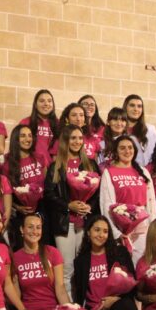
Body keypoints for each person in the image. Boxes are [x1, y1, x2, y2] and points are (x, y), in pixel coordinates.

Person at [12, 213, 72, 310]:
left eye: (38, 227)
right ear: (21, 230)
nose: (34, 231)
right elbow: (15, 293)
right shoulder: (15, 257)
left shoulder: (52, 252)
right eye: (30, 227)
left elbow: (60, 287)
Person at [44, 125, 99, 294]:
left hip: (84, 222)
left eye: (80, 138)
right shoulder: (56, 166)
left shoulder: (90, 164)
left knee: (82, 266)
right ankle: (68, 307)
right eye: (73, 138)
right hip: (64, 222)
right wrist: (68, 205)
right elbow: (49, 194)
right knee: (67, 268)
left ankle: (82, 304)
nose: (77, 142)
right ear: (65, 141)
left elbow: (98, 193)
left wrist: (89, 206)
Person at [99, 135, 156, 264]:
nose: (127, 151)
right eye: (122, 148)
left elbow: (151, 202)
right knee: (124, 267)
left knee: (143, 263)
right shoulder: (109, 172)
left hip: (143, 227)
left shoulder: (142, 171)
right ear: (115, 151)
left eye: (130, 148)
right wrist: (116, 233)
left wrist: (154, 227)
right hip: (121, 228)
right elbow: (106, 204)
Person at [1, 125, 51, 250]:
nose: (27, 139)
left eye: (29, 136)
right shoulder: (7, 163)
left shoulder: (39, 157)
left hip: (41, 209)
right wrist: (18, 207)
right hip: (20, 212)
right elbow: (6, 192)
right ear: (15, 139)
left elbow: (47, 185)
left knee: (43, 248)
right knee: (21, 248)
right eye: (23, 136)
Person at [19, 89, 58, 162]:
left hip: (51, 167)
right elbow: (17, 146)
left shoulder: (59, 124)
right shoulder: (25, 122)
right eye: (42, 101)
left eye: (49, 101)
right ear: (35, 105)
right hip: (31, 165)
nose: (46, 104)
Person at [122, 94, 156, 166]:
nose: (136, 109)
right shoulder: (119, 130)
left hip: (148, 171)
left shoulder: (151, 130)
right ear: (125, 107)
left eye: (139, 106)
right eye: (132, 105)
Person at [78, 95, 105, 161]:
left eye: (92, 105)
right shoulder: (74, 126)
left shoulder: (102, 129)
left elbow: (103, 151)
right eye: (85, 104)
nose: (89, 106)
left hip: (93, 166)